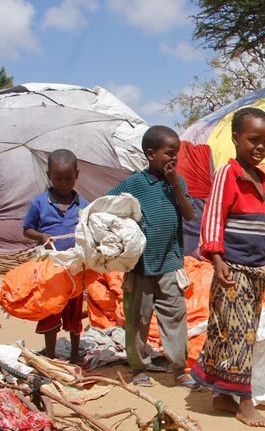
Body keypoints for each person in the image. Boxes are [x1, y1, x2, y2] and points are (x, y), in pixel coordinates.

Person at [190, 107, 265, 428]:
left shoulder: (261, 180)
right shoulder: (229, 173)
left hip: (255, 272)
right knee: (240, 334)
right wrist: (216, 257)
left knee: (229, 330)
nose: (260, 147)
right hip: (233, 270)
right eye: (253, 139)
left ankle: (221, 395)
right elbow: (213, 215)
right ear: (236, 138)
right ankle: (245, 402)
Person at [106, 125, 196, 388]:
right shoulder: (133, 183)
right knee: (137, 319)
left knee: (175, 316)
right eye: (169, 153)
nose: (174, 159)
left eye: (176, 154)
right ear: (150, 154)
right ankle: (138, 368)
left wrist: (175, 186)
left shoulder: (177, 182)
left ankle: (179, 368)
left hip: (170, 263)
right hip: (140, 266)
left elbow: (190, 215)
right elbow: (106, 206)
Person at [23, 149, 89, 363]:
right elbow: (27, 228)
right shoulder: (40, 203)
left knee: (74, 309)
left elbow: (90, 228)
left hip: (74, 268)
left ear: (76, 175)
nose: (63, 183)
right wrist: (41, 236)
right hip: (49, 269)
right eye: (58, 178)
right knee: (50, 309)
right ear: (49, 175)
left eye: (68, 178)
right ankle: (50, 355)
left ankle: (74, 353)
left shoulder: (84, 205)